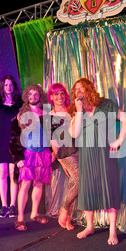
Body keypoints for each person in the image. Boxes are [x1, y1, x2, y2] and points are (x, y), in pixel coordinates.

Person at [69, 78, 126, 246]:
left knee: (109, 189)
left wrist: (119, 140)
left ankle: (112, 230)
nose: (79, 90)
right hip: (87, 155)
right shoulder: (76, 111)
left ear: (89, 88)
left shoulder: (106, 105)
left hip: (105, 153)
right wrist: (79, 111)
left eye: (82, 87)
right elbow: (74, 134)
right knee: (88, 190)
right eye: (76, 89)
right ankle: (90, 226)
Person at [10, 84, 51, 231]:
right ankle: (20, 218)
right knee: (25, 185)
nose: (33, 97)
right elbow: (13, 138)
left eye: (36, 94)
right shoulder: (21, 114)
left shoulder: (46, 114)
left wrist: (52, 151)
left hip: (44, 153)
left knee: (39, 184)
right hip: (28, 154)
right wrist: (18, 157)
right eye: (30, 94)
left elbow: (51, 134)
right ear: (26, 96)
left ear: (40, 96)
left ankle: (34, 213)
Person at [0, 75, 23, 218]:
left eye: (10, 84)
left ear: (14, 86)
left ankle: (13, 205)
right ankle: (4, 206)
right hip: (0, 142)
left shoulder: (20, 104)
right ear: (2, 88)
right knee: (2, 174)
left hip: (15, 143)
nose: (8, 87)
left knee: (13, 174)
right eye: (5, 85)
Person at [47, 83, 79, 231]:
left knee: (75, 182)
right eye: (56, 94)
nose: (59, 97)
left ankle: (68, 216)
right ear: (51, 97)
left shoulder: (72, 109)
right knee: (78, 179)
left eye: (61, 93)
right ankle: (64, 210)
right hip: (65, 152)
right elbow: (53, 142)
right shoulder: (50, 117)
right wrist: (61, 161)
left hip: (80, 147)